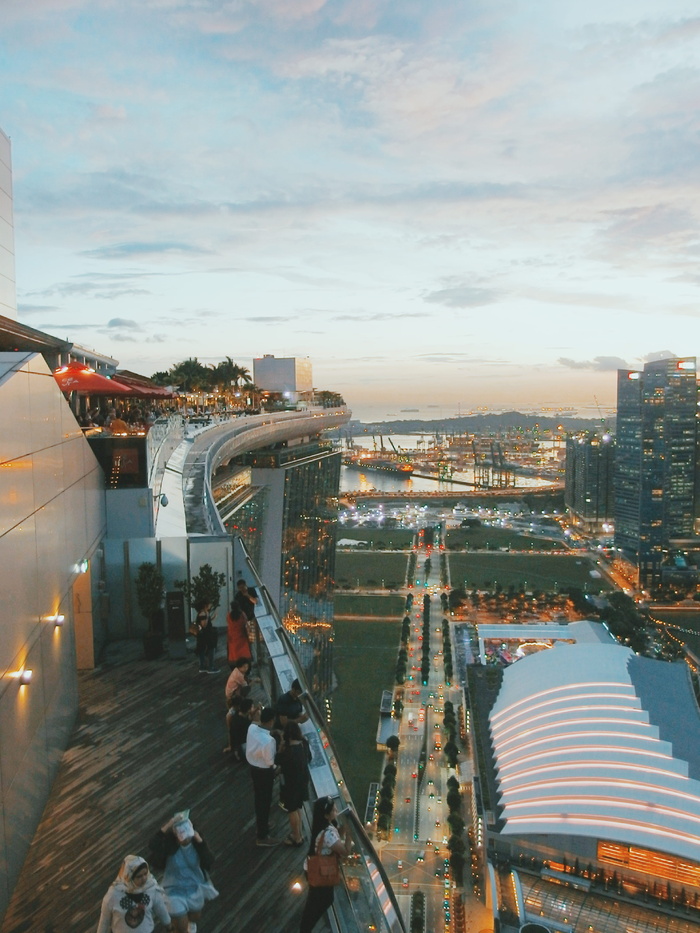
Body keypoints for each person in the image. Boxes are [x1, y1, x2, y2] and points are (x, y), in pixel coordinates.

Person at [148, 811, 218, 933]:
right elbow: (153, 844)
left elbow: (209, 860)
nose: (185, 838)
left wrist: (201, 842)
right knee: (181, 925)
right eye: (181, 834)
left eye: (187, 833)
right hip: (173, 889)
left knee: (195, 916)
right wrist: (169, 824)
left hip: (194, 887)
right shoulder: (170, 846)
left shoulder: (197, 845)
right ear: (175, 834)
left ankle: (190, 923)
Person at [299, 797, 352, 933]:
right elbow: (345, 852)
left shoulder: (323, 825)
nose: (336, 811)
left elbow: (335, 837)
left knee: (318, 900)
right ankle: (305, 928)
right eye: (334, 809)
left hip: (313, 868)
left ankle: (306, 927)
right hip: (319, 871)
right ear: (326, 814)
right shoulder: (328, 833)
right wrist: (350, 832)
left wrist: (342, 830)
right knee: (323, 900)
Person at [96, 855, 170, 933]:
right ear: (129, 877)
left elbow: (161, 910)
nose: (144, 878)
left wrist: (169, 926)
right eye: (139, 876)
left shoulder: (151, 888)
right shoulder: (113, 895)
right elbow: (104, 921)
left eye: (145, 874)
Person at [245, 707, 280, 846]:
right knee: (264, 801)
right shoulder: (268, 741)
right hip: (264, 773)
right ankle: (262, 836)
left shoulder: (252, 729)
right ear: (271, 721)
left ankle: (263, 824)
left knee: (259, 799)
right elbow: (270, 762)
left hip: (254, 769)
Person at [276, 721, 311, 846]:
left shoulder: (289, 752)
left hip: (291, 783)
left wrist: (280, 747)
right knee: (298, 807)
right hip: (303, 780)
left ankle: (296, 838)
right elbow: (310, 758)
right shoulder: (304, 744)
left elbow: (277, 760)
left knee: (291, 809)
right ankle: (299, 834)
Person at [195, 603, 219, 674]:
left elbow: (206, 621)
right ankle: (210, 667)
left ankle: (202, 666)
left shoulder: (203, 613)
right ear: (205, 605)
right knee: (211, 648)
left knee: (202, 649)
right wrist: (208, 615)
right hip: (205, 635)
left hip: (202, 635)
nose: (210, 605)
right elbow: (204, 625)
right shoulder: (203, 613)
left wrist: (212, 617)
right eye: (209, 604)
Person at [226, 603, 251, 669]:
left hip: (232, 637)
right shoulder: (242, 615)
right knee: (243, 653)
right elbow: (246, 622)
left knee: (233, 653)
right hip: (241, 636)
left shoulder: (229, 615)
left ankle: (234, 667)